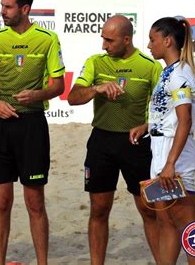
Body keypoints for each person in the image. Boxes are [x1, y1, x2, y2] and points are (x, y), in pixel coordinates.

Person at [0, 0, 65, 265]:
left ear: (25, 8)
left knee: (35, 203)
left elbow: (58, 85)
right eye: (1, 5)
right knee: (1, 202)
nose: (2, 11)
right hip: (0, 126)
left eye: (8, 6)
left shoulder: (47, 39)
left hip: (32, 125)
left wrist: (38, 94)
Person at [67, 15, 162, 265]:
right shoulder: (95, 63)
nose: (104, 45)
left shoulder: (149, 66)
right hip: (101, 142)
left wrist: (147, 125)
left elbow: (167, 109)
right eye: (103, 39)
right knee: (99, 210)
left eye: (109, 40)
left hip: (137, 144)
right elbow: (73, 97)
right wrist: (96, 89)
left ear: (127, 39)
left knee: (148, 210)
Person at [139, 17, 195, 264]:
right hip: (161, 149)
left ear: (167, 41)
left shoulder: (180, 74)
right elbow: (170, 115)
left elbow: (184, 121)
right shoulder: (169, 72)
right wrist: (146, 126)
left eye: (152, 39)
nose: (148, 45)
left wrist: (170, 164)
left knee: (189, 226)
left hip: (175, 155)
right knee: (165, 221)